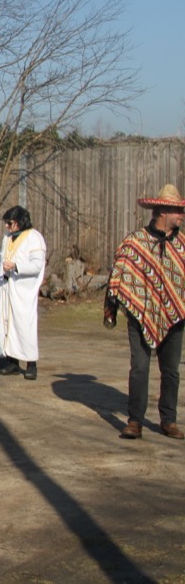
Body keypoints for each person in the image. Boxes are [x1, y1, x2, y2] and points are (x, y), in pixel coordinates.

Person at [106, 184, 185, 440]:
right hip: (140, 314)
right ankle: (135, 420)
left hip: (174, 316)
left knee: (171, 370)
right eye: (178, 211)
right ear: (163, 211)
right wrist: (116, 304)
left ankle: (168, 420)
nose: (181, 216)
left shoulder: (182, 245)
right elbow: (119, 273)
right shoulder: (135, 242)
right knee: (139, 367)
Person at [0, 205, 47, 380]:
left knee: (24, 325)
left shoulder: (34, 238)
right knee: (6, 324)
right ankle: (12, 362)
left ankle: (31, 364)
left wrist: (16, 266)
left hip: (23, 290)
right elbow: (1, 261)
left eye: (9, 223)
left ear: (19, 222)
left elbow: (37, 265)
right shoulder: (7, 238)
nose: (7, 227)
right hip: (6, 288)